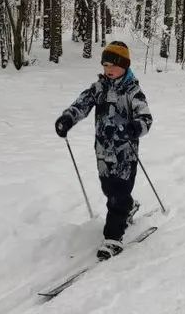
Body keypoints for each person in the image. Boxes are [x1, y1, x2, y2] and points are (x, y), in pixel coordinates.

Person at [55, 41, 152, 260]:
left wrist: (135, 127)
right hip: (103, 152)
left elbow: (146, 118)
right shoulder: (99, 88)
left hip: (125, 154)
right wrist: (68, 118)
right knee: (109, 189)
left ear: (125, 66)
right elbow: (82, 104)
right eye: (105, 64)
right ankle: (129, 206)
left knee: (118, 195)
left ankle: (113, 237)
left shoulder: (132, 91)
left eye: (114, 65)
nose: (108, 70)